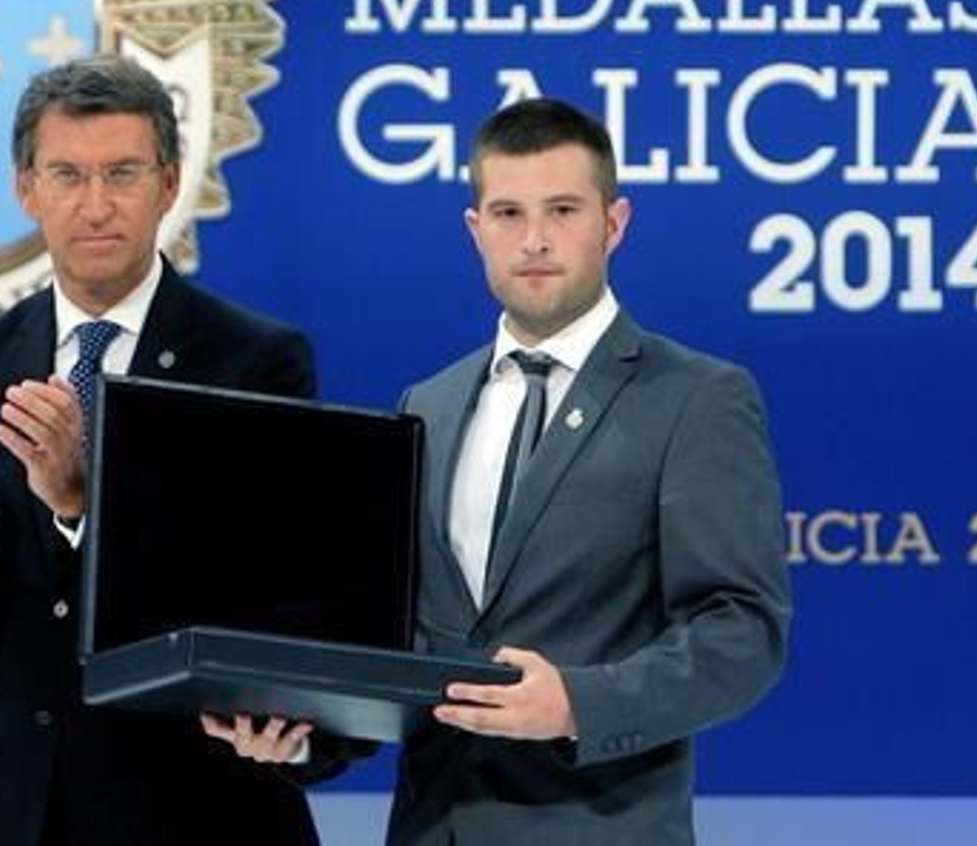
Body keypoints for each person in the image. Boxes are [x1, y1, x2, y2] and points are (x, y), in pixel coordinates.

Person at [210, 97, 791, 844]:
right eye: (509, 213)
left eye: (563, 211)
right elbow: (399, 645)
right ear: (475, 229)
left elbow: (741, 632)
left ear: (614, 224)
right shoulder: (428, 403)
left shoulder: (696, 398)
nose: (535, 239)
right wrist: (304, 733)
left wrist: (577, 703)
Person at [0, 55, 325, 845]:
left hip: (189, 805)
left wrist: (82, 503)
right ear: (26, 189)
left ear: (168, 184)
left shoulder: (255, 362)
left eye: (123, 173)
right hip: (2, 808)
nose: (96, 204)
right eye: (67, 175)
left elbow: (264, 598)